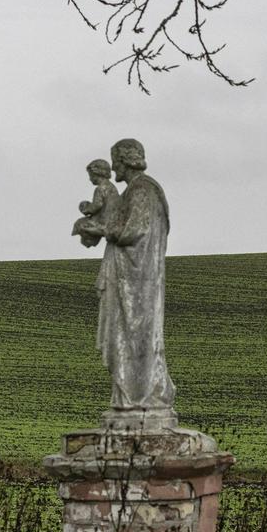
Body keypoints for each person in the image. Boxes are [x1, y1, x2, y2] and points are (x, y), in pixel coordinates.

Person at [93, 138, 176, 410]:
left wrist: (101, 230)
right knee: (134, 338)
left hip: (137, 281)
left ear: (125, 161)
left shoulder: (142, 190)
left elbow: (134, 231)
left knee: (134, 336)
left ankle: (139, 397)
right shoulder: (137, 191)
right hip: (136, 276)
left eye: (115, 160)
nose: (113, 167)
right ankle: (134, 397)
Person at [71, 159, 119, 248]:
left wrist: (86, 209)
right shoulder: (112, 187)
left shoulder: (100, 189)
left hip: (104, 220)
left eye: (91, 176)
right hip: (112, 218)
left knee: (80, 223)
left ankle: (89, 241)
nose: (90, 179)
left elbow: (97, 205)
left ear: (97, 174)